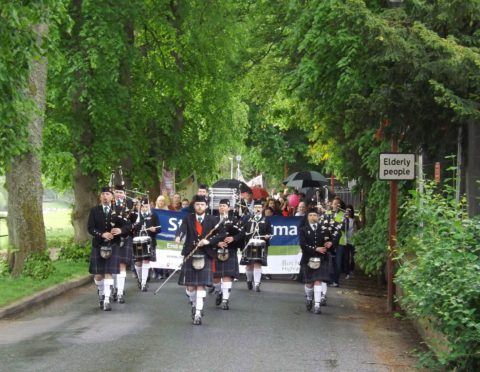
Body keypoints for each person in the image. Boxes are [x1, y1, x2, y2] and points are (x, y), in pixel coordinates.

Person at [175, 195, 222, 325]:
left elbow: (221, 233)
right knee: (190, 287)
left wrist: (209, 241)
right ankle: (194, 305)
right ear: (194, 206)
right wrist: (178, 236)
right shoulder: (188, 218)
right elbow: (182, 229)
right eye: (197, 204)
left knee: (200, 285)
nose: (199, 207)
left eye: (202, 204)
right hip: (191, 252)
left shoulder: (213, 219)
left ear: (206, 206)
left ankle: (198, 313)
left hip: (206, 253)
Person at [87, 186, 130, 311]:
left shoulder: (118, 210)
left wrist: (120, 230)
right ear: (100, 197)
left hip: (113, 245)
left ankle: (106, 299)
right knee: (98, 275)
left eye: (108, 194)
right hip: (98, 244)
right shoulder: (94, 211)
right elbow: (90, 228)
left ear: (112, 197)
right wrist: (102, 234)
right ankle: (101, 293)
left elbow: (128, 226)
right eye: (103, 194)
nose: (105, 196)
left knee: (108, 273)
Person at [299, 208, 335, 314]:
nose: (312, 217)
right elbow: (303, 245)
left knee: (318, 280)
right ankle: (309, 298)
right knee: (309, 283)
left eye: (314, 215)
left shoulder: (324, 229)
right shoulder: (303, 230)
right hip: (308, 258)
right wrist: (315, 248)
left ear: (318, 217)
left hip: (321, 258)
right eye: (310, 215)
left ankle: (317, 305)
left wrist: (330, 245)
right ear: (307, 217)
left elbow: (329, 243)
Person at [212, 199, 244, 310]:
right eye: (220, 206)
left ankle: (225, 300)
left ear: (229, 208)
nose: (222, 207)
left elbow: (242, 233)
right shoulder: (213, 220)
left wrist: (233, 238)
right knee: (215, 277)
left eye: (224, 206)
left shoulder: (234, 220)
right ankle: (218, 292)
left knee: (227, 276)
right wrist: (217, 242)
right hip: (216, 250)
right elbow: (207, 235)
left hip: (230, 250)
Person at [240, 200, 272, 292]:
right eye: (256, 207)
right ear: (253, 209)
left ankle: (257, 284)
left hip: (261, 245)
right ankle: (249, 280)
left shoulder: (266, 220)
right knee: (249, 265)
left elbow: (270, 232)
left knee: (258, 264)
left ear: (262, 209)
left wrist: (267, 236)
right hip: (249, 244)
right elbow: (243, 232)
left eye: (259, 207)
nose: (257, 209)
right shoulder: (248, 219)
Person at [132, 198, 161, 292]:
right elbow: (131, 228)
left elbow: (159, 228)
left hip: (150, 241)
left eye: (146, 206)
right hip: (137, 242)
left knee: (146, 261)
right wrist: (137, 224)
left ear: (149, 206)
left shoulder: (154, 215)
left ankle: (144, 283)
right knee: (138, 262)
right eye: (143, 206)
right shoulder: (136, 216)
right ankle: (140, 281)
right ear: (140, 207)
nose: (144, 208)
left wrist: (154, 229)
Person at [112, 184, 134, 303]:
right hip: (112, 237)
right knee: (113, 263)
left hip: (126, 236)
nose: (119, 194)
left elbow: (133, 222)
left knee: (122, 264)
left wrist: (123, 230)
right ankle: (115, 289)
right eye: (117, 192)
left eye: (121, 192)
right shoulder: (110, 204)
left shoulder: (130, 205)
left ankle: (120, 292)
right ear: (114, 193)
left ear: (124, 194)